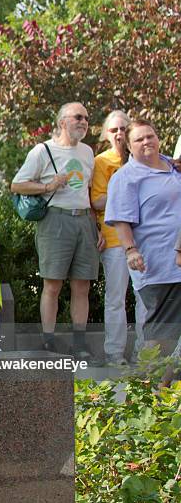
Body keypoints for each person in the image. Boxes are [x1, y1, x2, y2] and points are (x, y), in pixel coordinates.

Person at [11, 102, 104, 361]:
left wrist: (96, 225)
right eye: (78, 117)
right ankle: (48, 340)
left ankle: (79, 343)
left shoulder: (87, 152)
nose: (84, 122)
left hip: (84, 221)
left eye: (86, 117)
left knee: (82, 285)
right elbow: (16, 185)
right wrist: (48, 186)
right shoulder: (42, 151)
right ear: (62, 121)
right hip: (56, 221)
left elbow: (87, 191)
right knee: (52, 284)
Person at [105, 119, 181, 368]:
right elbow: (120, 219)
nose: (147, 141)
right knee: (162, 337)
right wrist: (131, 250)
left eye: (150, 136)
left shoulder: (173, 165)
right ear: (129, 145)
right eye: (139, 139)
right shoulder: (126, 177)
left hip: (178, 263)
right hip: (158, 266)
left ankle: (164, 393)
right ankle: (146, 393)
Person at [91, 111, 147, 365]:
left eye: (124, 128)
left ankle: (144, 353)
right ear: (105, 134)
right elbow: (96, 200)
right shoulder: (101, 162)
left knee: (145, 298)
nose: (119, 134)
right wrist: (122, 188)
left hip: (143, 241)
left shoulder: (143, 159)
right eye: (114, 130)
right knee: (115, 299)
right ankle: (114, 354)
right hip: (113, 240)